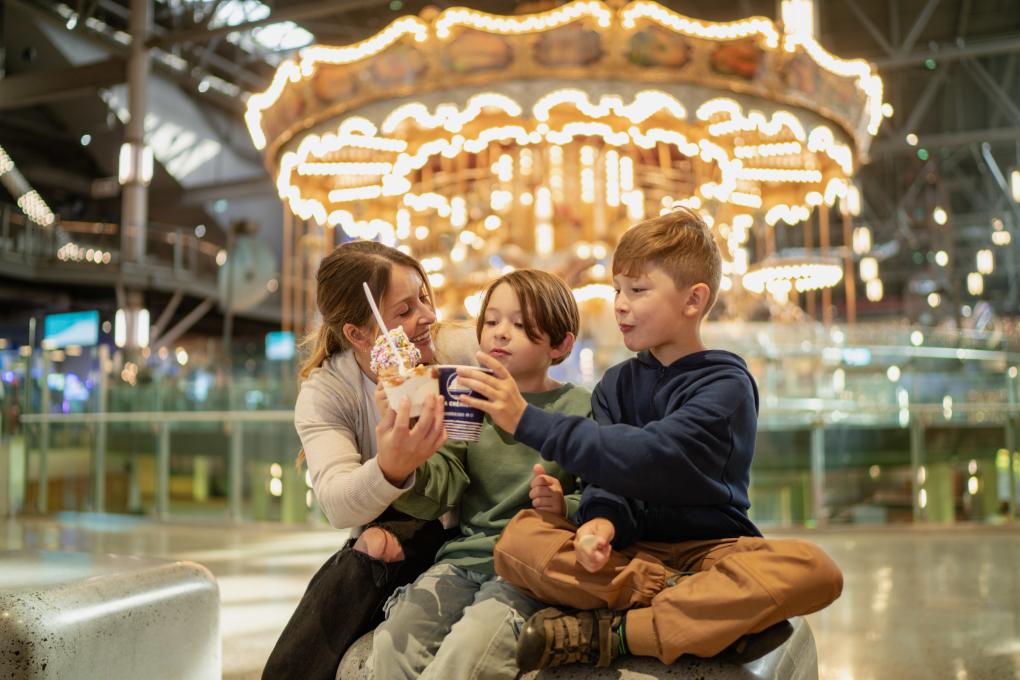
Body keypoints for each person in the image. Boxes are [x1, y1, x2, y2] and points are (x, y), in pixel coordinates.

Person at [455, 209, 844, 671]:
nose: (619, 303)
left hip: (712, 550)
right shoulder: (615, 384)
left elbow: (652, 457)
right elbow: (610, 478)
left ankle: (617, 632)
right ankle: (694, 610)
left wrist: (527, 420)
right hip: (633, 553)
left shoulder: (726, 383)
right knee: (519, 541)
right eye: (618, 288)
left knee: (814, 570)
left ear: (693, 300)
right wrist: (601, 521)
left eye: (637, 290)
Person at [262, 240, 477, 680]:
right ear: (359, 335)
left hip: (476, 521)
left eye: (424, 297)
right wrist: (391, 465)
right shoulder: (328, 392)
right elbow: (338, 503)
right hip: (406, 529)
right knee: (370, 549)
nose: (428, 316)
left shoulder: (460, 352)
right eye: (403, 312)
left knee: (375, 548)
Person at [370, 269, 591, 680]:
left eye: (521, 325)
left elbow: (600, 493)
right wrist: (406, 459)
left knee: (467, 654)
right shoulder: (466, 398)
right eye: (491, 321)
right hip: (461, 561)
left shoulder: (579, 406)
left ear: (561, 344)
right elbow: (439, 492)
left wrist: (565, 504)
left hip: (526, 569)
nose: (500, 333)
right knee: (389, 645)